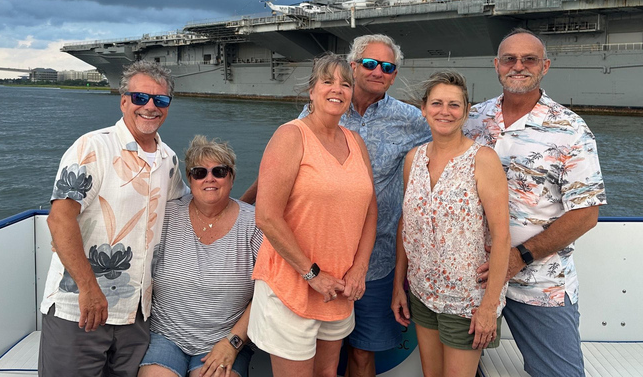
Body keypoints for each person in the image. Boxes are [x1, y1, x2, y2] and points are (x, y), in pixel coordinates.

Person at [240, 35, 431, 377]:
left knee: (346, 363)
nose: (378, 72)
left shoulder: (404, 122)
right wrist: (238, 206)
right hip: (299, 274)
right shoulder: (299, 128)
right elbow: (272, 194)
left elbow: (445, 146)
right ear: (311, 91)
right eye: (369, 64)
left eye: (387, 67)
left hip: (363, 268)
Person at [465, 29, 606, 377]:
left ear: (545, 66)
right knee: (460, 369)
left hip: (539, 279)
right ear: (496, 66)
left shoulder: (571, 129)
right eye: (510, 59)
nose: (519, 66)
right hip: (473, 273)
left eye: (529, 59)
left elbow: (586, 214)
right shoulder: (470, 119)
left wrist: (519, 256)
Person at [38, 61, 188, 377]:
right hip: (80, 307)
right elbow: (60, 219)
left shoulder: (168, 160)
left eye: (160, 100)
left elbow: (196, 205)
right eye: (140, 98)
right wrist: (89, 287)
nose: (150, 107)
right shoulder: (92, 147)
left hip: (136, 314)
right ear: (123, 101)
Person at [247, 53, 378, 377]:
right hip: (293, 286)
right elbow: (266, 216)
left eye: (346, 83)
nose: (337, 89)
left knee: (328, 372)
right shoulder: (290, 136)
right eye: (328, 81)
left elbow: (370, 209)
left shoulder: (355, 141)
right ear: (311, 90)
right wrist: (312, 274)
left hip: (338, 289)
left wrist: (359, 268)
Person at [391, 71, 510, 377]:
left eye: (454, 105)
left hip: (467, 300)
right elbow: (408, 224)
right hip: (422, 293)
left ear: (466, 111)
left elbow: (502, 237)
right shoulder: (412, 159)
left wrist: (488, 307)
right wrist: (399, 287)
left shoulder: (483, 160)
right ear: (424, 108)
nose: (445, 111)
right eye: (437, 103)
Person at [139, 135, 262, 377]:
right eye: (199, 172)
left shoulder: (253, 223)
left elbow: (267, 292)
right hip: (166, 334)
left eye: (219, 171)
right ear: (189, 179)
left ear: (232, 177)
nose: (210, 179)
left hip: (226, 339)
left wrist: (233, 343)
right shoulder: (166, 215)